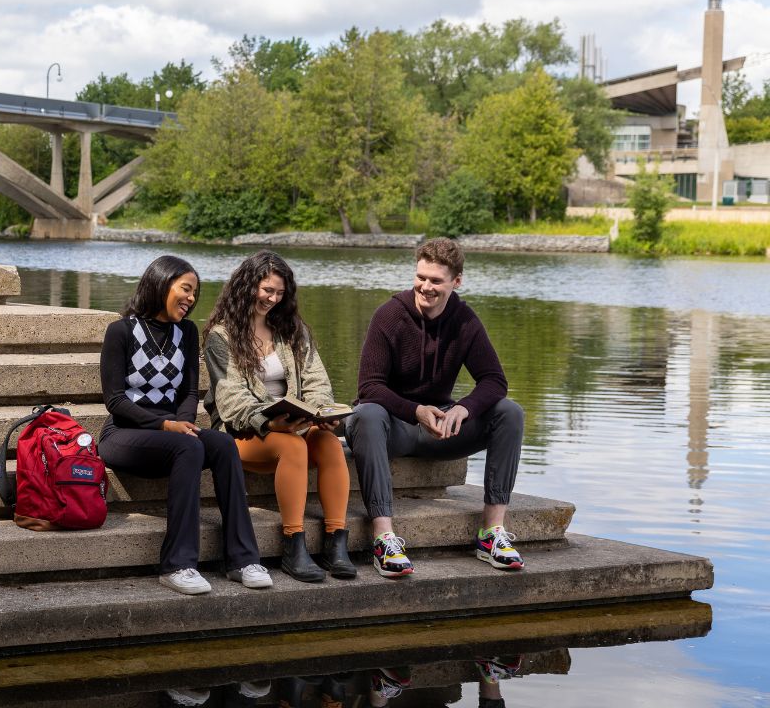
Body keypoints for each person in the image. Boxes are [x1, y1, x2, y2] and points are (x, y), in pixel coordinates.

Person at [344, 238, 525, 578]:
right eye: (421, 277)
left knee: (509, 412)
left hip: (439, 430)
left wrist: (464, 409)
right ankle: (384, 538)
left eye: (435, 280)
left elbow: (494, 380)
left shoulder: (465, 320)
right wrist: (415, 411)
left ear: (456, 281)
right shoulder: (389, 315)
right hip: (390, 427)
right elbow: (369, 387)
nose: (425, 287)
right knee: (365, 413)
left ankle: (491, 535)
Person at [99, 255, 272, 595]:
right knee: (187, 444)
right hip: (123, 434)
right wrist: (166, 426)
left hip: (173, 435)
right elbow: (116, 401)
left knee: (222, 445)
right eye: (186, 289)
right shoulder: (121, 331)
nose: (191, 299)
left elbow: (190, 392)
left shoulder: (187, 332)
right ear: (161, 283)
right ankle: (177, 565)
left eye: (195, 292)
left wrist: (183, 423)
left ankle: (242, 559)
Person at [204, 251, 356, 583]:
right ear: (247, 286)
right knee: (292, 446)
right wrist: (270, 421)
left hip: (294, 424)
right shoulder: (221, 336)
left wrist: (318, 413)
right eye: (266, 290)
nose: (272, 298)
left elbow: (317, 381)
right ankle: (294, 545)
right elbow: (231, 400)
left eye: (279, 293)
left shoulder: (293, 330)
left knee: (329, 442)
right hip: (243, 433)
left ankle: (335, 542)